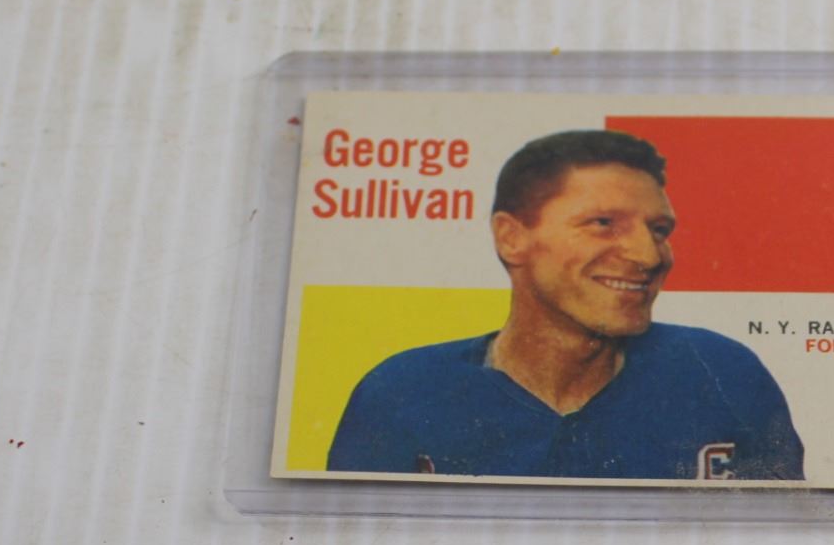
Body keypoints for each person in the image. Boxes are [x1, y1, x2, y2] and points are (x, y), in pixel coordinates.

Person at [326, 129, 804, 481]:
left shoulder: (724, 375)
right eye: (603, 223)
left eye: (659, 230)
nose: (648, 255)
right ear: (511, 238)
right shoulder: (402, 394)